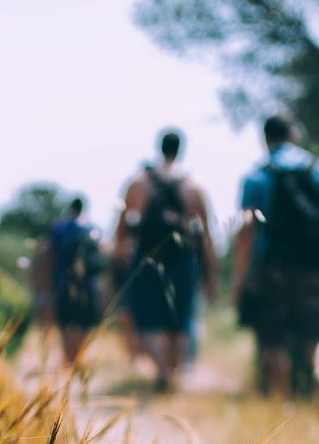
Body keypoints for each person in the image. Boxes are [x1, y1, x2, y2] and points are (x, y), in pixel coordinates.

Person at [233, 115, 319, 411]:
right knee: (318, 330)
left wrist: (241, 279)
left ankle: (281, 407)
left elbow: (246, 232)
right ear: (294, 134)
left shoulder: (257, 176)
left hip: (273, 266)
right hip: (315, 263)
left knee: (274, 337)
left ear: (265, 138)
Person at [115, 130, 217, 391]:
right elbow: (205, 235)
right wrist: (210, 273)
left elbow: (122, 228)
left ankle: (161, 370)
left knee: (150, 317)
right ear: (181, 149)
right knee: (179, 318)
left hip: (148, 258)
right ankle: (172, 373)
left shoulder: (139, 182)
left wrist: (119, 260)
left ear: (159, 148)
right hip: (183, 260)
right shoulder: (193, 186)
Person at [39, 197, 104, 365]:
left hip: (62, 282)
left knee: (65, 322)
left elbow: (48, 255)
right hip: (88, 284)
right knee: (83, 322)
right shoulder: (92, 228)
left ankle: (68, 358)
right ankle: (77, 357)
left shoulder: (59, 227)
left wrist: (44, 283)